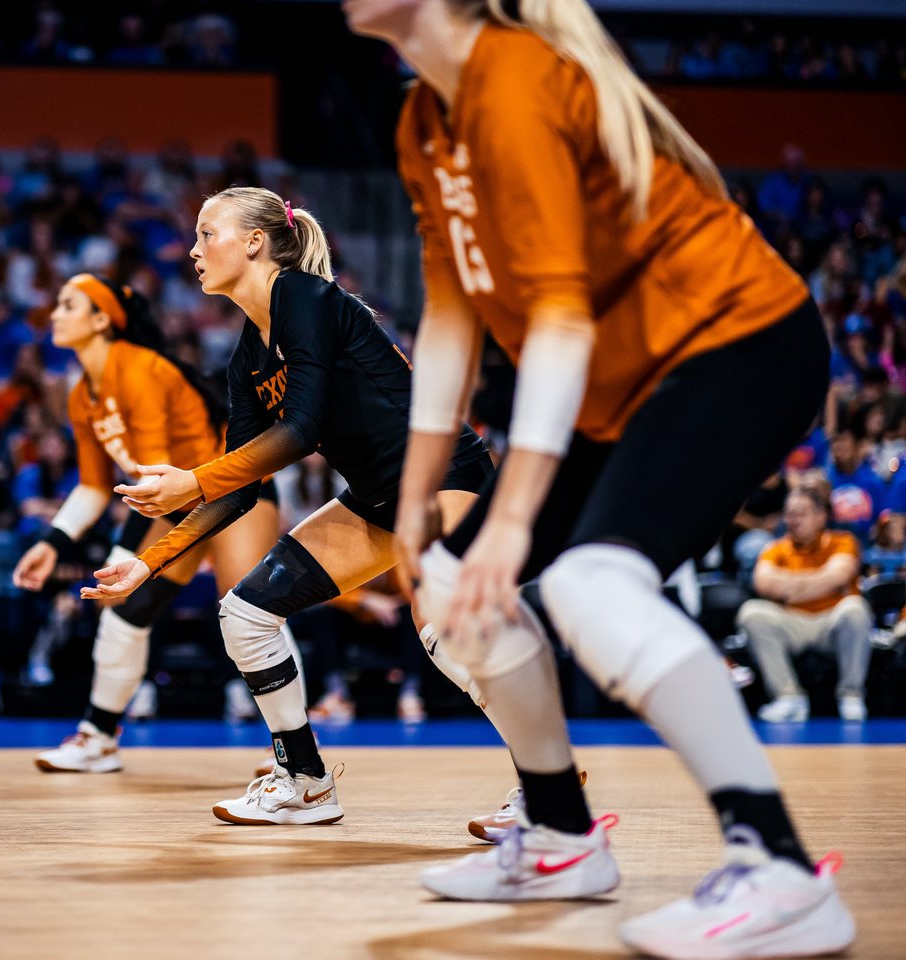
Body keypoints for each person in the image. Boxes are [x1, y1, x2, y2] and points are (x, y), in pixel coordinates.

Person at [343, 1, 854, 957]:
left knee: (588, 582)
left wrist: (513, 520)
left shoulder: (519, 78)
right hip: (616, 381)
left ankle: (782, 871)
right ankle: (560, 839)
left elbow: (564, 319)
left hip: (735, 342)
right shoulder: (425, 118)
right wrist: (413, 497)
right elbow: (451, 312)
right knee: (452, 589)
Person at [84, 187, 494, 826]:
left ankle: (548, 792)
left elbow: (300, 431)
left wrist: (191, 482)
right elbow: (242, 488)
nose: (193, 251)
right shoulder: (248, 354)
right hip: (378, 498)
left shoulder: (305, 298)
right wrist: (150, 563)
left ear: (253, 242)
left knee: (441, 623)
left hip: (445, 477)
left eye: (206, 234)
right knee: (245, 613)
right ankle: (305, 780)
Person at [10, 272, 294, 775]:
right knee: (124, 615)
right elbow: (95, 486)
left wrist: (122, 555)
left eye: (68, 304)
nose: (54, 313)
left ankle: (292, 749)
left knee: (250, 614)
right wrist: (53, 541)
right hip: (173, 502)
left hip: (233, 492)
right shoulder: (82, 395)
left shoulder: (139, 369)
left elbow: (153, 476)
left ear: (102, 320)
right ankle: (97, 737)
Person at [739, 487, 872, 722]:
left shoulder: (843, 542)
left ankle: (851, 695)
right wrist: (821, 581)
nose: (793, 520)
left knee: (855, 607)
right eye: (789, 514)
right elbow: (763, 582)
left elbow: (838, 576)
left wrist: (789, 588)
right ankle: (788, 697)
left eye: (801, 514)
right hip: (792, 622)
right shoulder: (774, 548)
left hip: (831, 622)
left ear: (820, 517)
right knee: (752, 612)